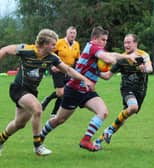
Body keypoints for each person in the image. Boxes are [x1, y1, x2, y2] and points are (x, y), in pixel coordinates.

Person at [40, 26, 138, 153]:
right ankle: (40, 137)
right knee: (59, 119)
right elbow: (108, 58)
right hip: (74, 89)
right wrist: (112, 60)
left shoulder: (97, 49)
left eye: (106, 40)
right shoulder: (93, 47)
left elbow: (110, 54)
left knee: (103, 112)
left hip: (87, 90)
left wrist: (126, 57)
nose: (105, 42)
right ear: (95, 38)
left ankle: (86, 140)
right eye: (103, 39)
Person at [0, 28, 94, 156]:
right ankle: (38, 145)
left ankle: (0, 140)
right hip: (18, 89)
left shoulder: (52, 57)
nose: (55, 46)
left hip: (31, 92)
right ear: (44, 44)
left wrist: (84, 79)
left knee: (19, 123)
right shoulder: (26, 49)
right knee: (37, 109)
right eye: (53, 44)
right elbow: (4, 50)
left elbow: (67, 70)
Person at [94, 33, 153, 149]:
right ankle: (108, 131)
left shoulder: (143, 55)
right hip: (127, 89)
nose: (126, 45)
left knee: (123, 117)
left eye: (129, 42)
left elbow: (150, 69)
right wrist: (95, 72)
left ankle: (100, 139)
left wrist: (144, 69)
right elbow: (107, 76)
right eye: (125, 42)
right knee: (133, 107)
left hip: (141, 91)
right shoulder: (121, 59)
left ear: (135, 43)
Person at [41, 26, 80, 117]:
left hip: (69, 70)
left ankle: (54, 112)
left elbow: (77, 58)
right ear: (67, 33)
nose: (72, 35)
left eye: (74, 33)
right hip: (58, 69)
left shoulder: (76, 44)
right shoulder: (60, 42)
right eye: (71, 33)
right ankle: (48, 99)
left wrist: (77, 69)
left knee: (64, 92)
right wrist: (52, 65)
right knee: (60, 93)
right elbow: (50, 52)